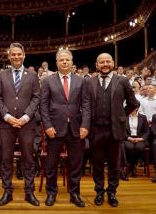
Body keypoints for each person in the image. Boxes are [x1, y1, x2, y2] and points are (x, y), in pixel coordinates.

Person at [85, 53, 138, 207]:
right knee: (97, 163)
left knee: (115, 164)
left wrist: (121, 115)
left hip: (115, 130)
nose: (105, 64)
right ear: (97, 65)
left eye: (108, 61)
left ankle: (112, 192)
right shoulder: (89, 82)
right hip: (95, 130)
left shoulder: (122, 80)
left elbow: (133, 103)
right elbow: (85, 104)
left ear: (113, 63)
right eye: (102, 62)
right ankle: (99, 192)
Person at [40, 50, 90, 207]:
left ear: (72, 62)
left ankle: (75, 193)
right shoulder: (48, 81)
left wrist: (85, 125)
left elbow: (86, 105)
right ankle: (51, 193)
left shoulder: (81, 81)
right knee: (51, 163)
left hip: (76, 128)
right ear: (56, 62)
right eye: (61, 60)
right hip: (54, 128)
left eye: (67, 59)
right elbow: (43, 105)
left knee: (76, 164)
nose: (65, 62)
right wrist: (47, 125)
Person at [0, 43, 41, 206]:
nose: (16, 57)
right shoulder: (2, 74)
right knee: (6, 159)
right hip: (6, 124)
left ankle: (29, 192)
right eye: (13, 54)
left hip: (27, 124)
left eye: (19, 54)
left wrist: (26, 117)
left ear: (24, 55)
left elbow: (36, 98)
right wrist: (6, 116)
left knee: (28, 159)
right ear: (9, 56)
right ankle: (7, 192)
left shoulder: (33, 75)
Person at [123, 106, 149, 177]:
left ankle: (132, 166)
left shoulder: (143, 117)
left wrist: (141, 138)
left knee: (139, 148)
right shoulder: (124, 116)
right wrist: (129, 138)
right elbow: (122, 131)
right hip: (128, 138)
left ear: (137, 108)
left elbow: (147, 131)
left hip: (140, 138)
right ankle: (132, 167)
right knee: (129, 147)